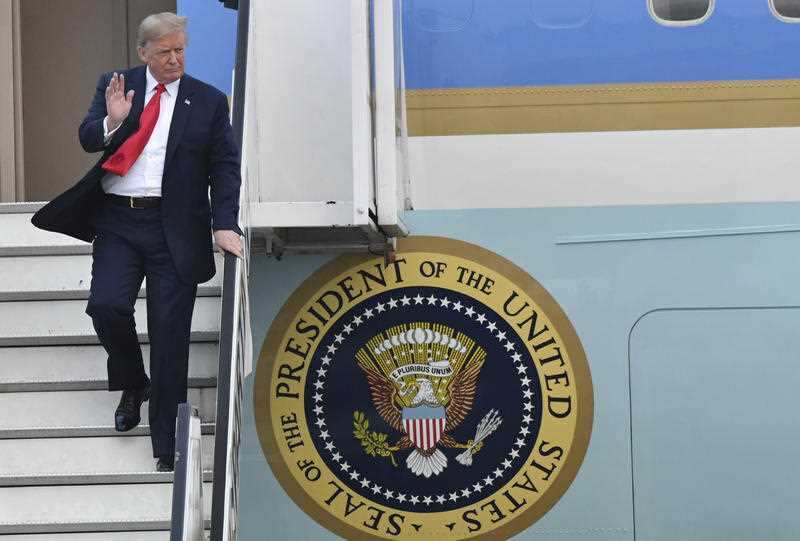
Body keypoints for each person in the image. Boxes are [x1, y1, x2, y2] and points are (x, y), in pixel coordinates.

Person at [31, 12, 242, 472]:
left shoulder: (206, 101)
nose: (175, 59)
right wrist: (111, 123)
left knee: (169, 335)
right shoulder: (117, 85)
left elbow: (224, 167)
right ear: (144, 53)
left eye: (181, 49)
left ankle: (168, 446)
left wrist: (225, 222)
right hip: (119, 222)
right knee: (106, 305)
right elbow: (88, 138)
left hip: (176, 228)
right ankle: (132, 380)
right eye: (165, 52)